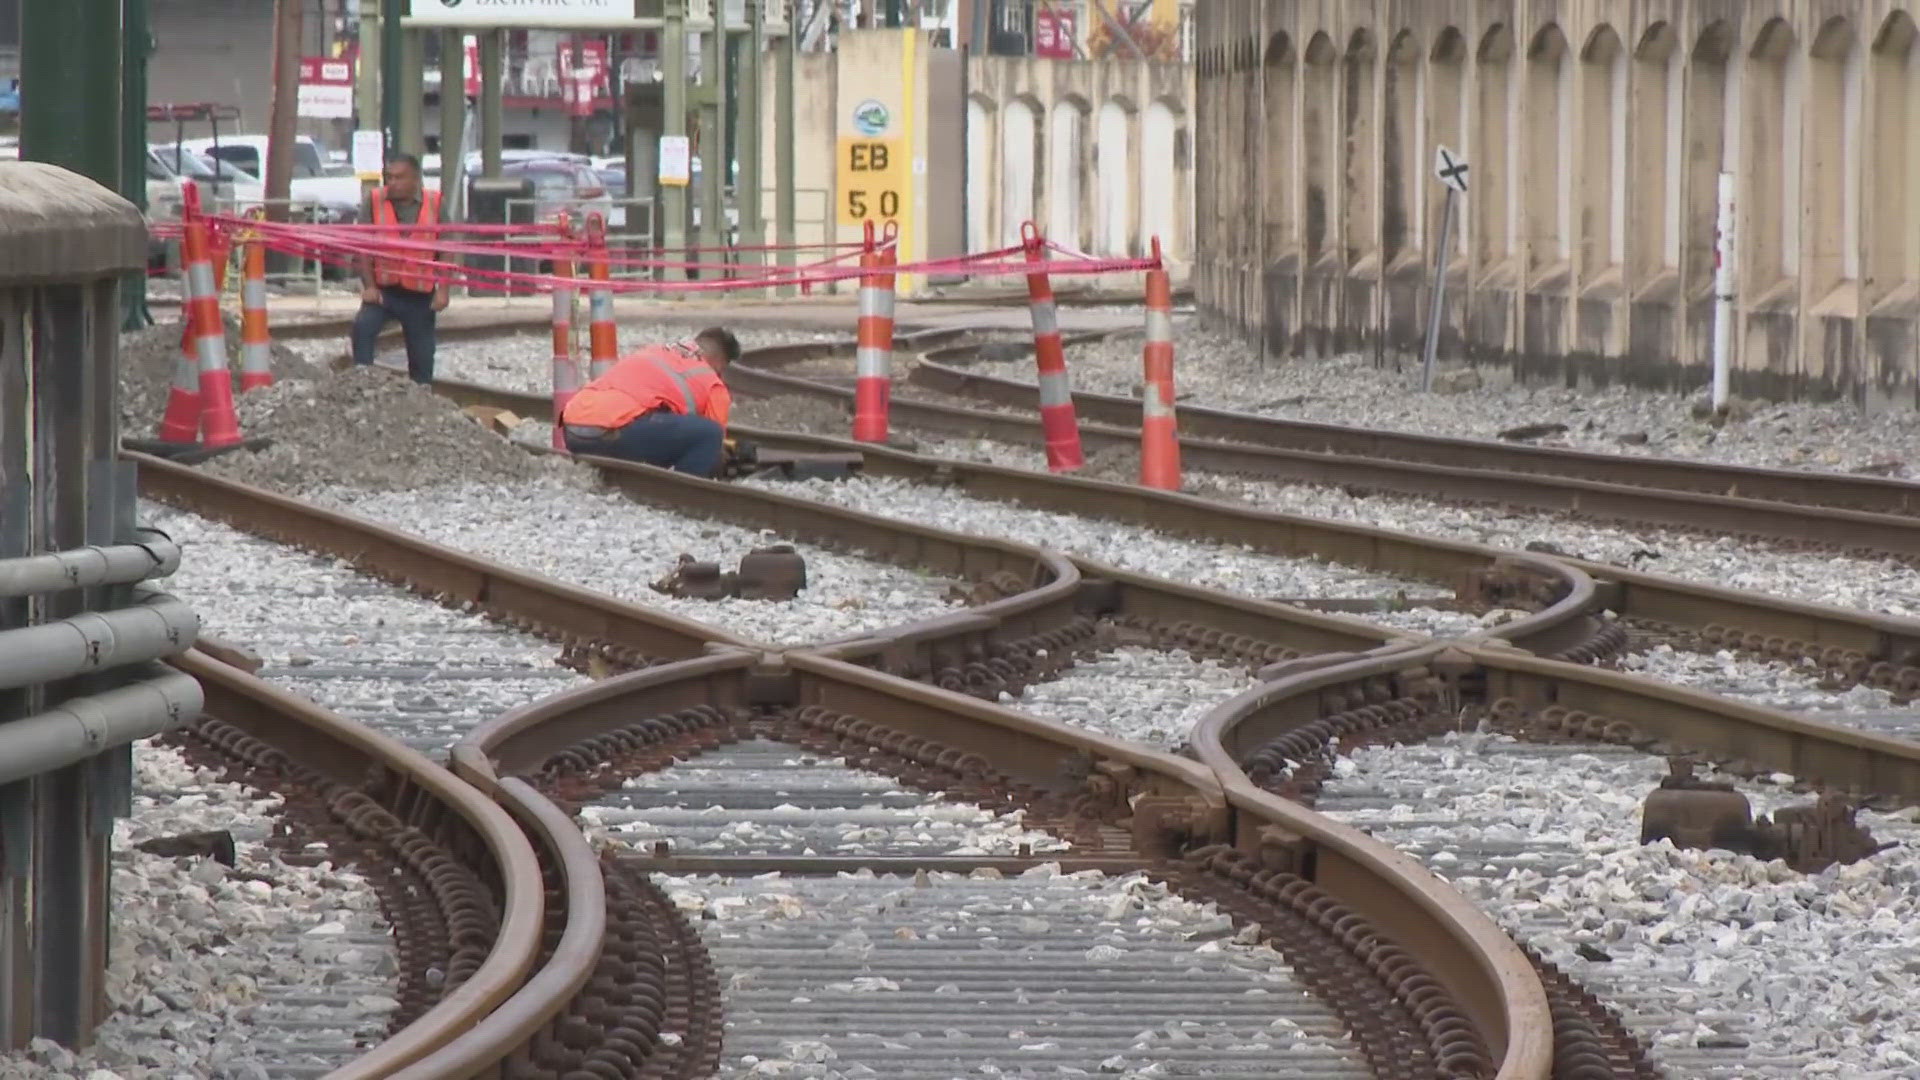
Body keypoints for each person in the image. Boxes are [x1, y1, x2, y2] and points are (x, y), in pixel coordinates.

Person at [560, 327, 741, 476]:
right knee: (710, 433)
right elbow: (716, 447)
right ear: (721, 362)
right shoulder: (712, 383)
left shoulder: (654, 351)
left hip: (573, 432)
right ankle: (686, 493)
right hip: (610, 435)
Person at [351, 153, 447, 383]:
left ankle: (422, 397)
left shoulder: (435, 203)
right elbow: (363, 247)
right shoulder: (374, 201)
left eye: (399, 177)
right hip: (385, 291)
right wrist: (370, 287)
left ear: (416, 179)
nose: (392, 183)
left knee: (422, 356)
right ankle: (362, 383)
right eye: (389, 177)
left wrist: (443, 290)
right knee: (363, 328)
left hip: (420, 295)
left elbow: (447, 248)